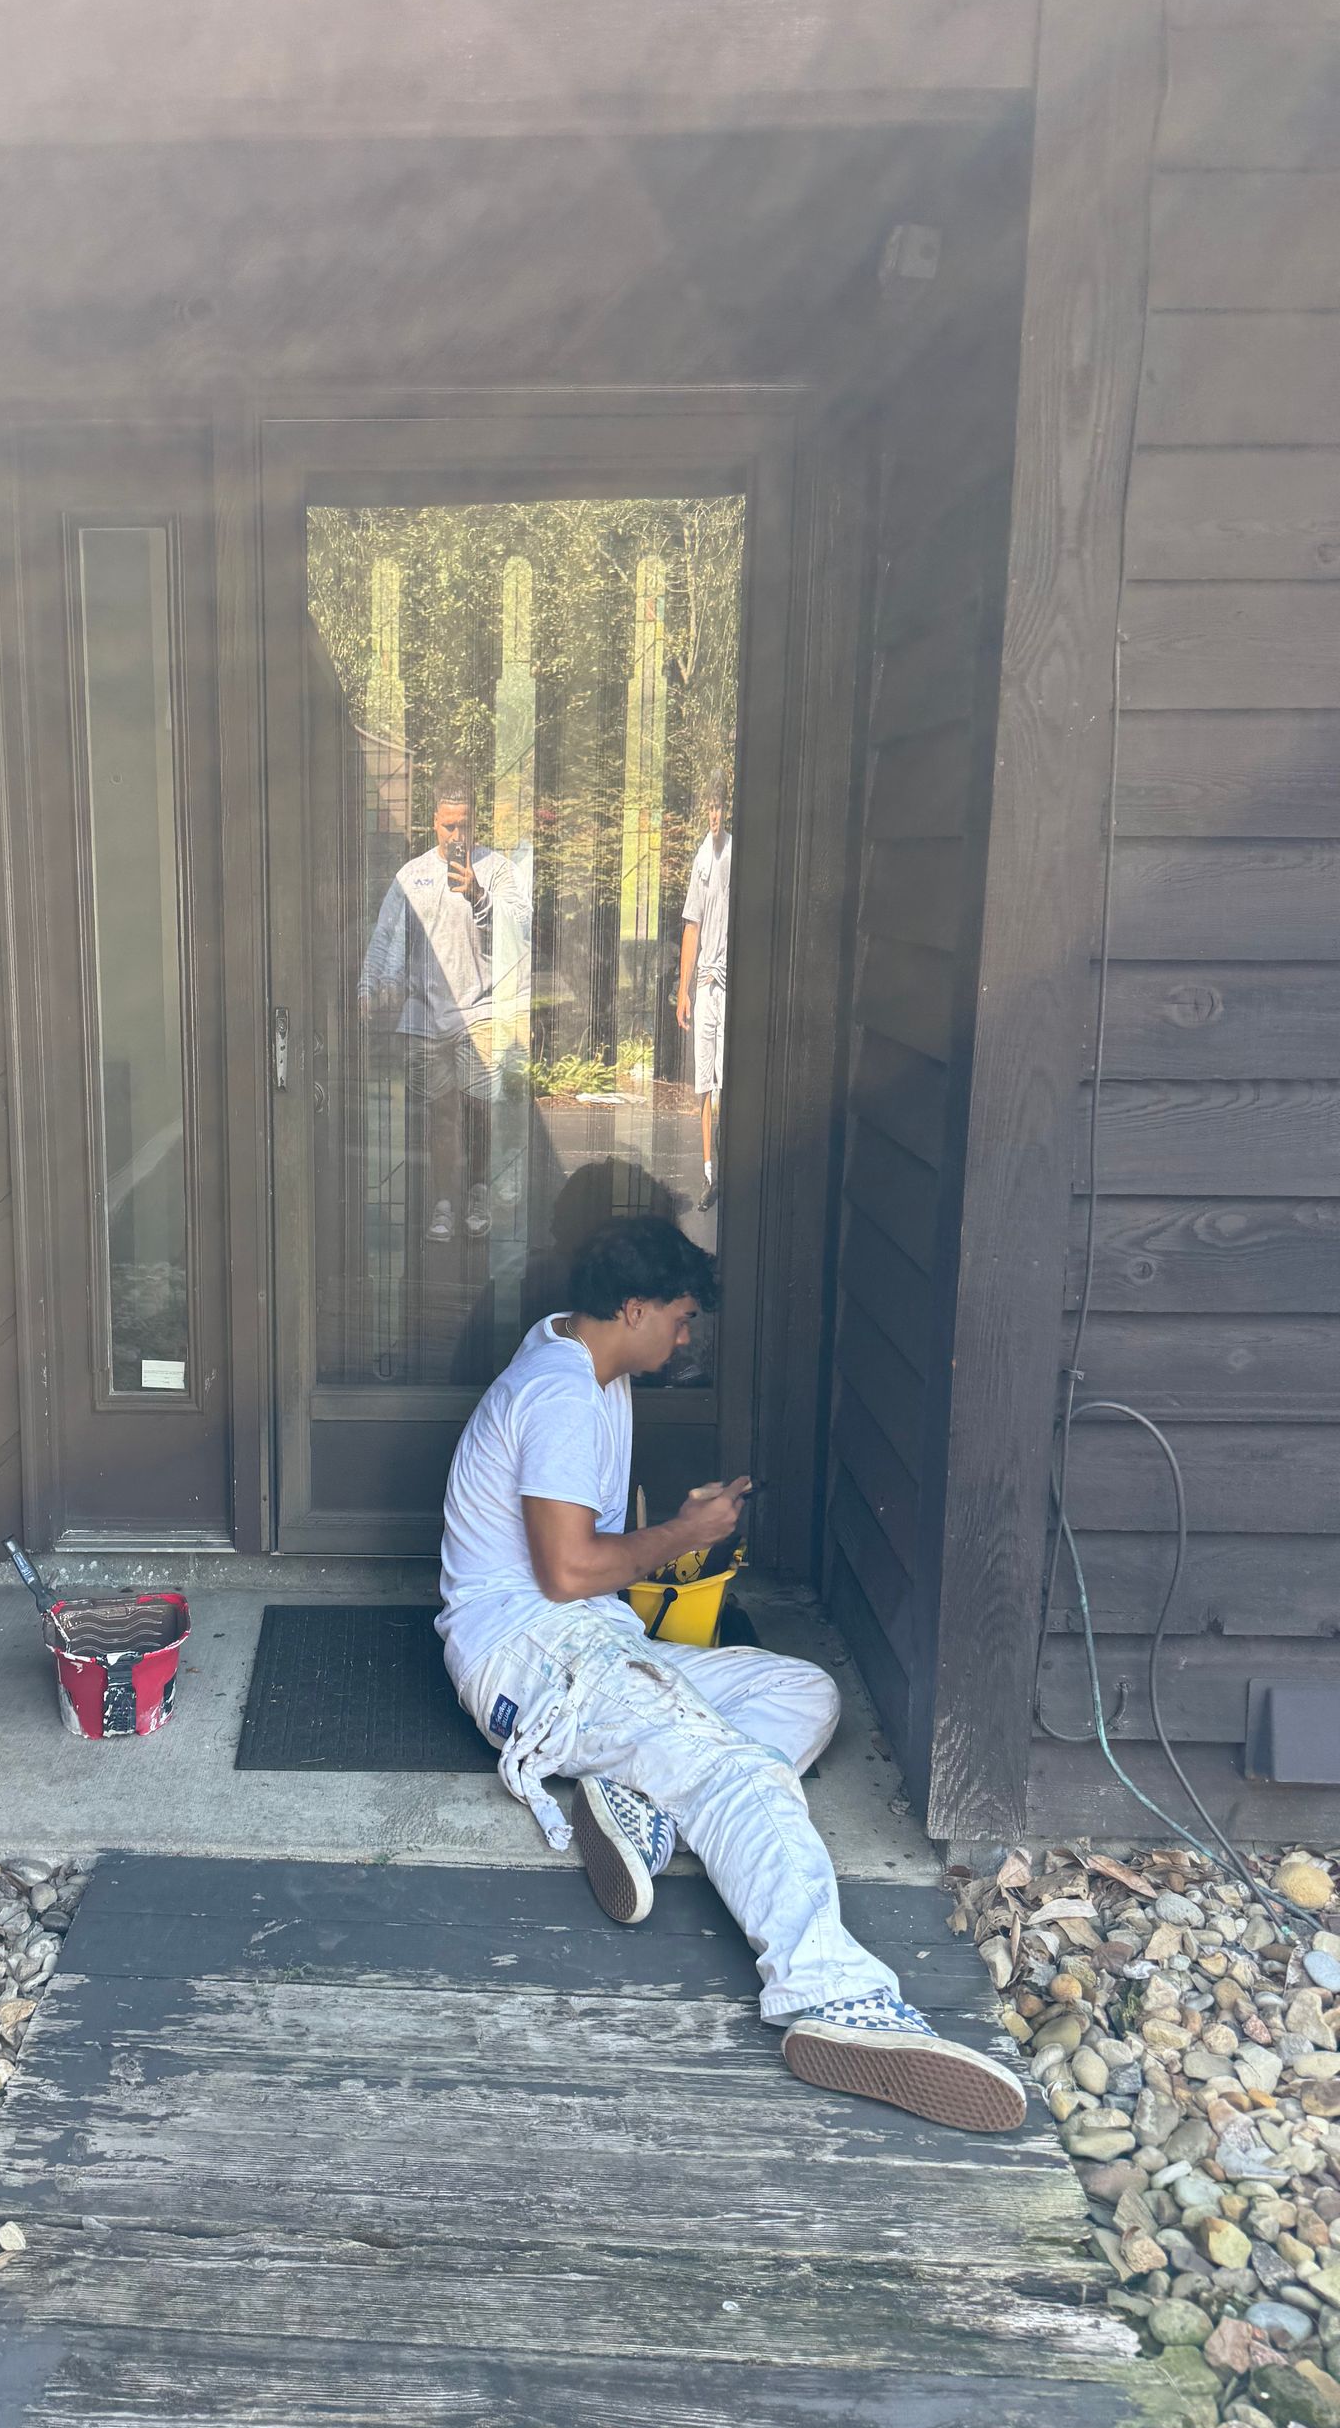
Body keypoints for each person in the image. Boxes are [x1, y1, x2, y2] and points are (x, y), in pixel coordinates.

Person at [437, 1213, 1027, 2133]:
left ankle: (642, 1806)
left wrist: (670, 1530)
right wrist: (685, 1534)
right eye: (677, 1319)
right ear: (632, 1308)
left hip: (587, 1644)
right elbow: (565, 1572)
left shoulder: (584, 1357)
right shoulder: (558, 1394)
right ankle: (831, 1998)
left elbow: (585, 1554)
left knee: (802, 1692)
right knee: (741, 1770)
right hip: (535, 1654)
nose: (686, 1337)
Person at [358, 777, 531, 1244]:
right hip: (426, 1016)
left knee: (477, 1112)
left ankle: (475, 1191)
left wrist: (478, 894)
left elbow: (522, 930)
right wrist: (369, 985)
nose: (457, 837)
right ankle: (443, 1202)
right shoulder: (411, 876)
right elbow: (386, 937)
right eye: (448, 826)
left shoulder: (495, 869)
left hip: (482, 1011)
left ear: (475, 822)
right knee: (441, 1115)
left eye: (465, 826)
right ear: (434, 823)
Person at [674, 782, 731, 1205]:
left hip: (732, 986)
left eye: (719, 807)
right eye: (708, 807)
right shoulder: (700, 860)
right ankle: (709, 1173)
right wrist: (684, 989)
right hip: (706, 986)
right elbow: (691, 925)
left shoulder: (735, 854)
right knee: (704, 1085)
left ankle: (730, 1167)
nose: (713, 815)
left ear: (727, 810)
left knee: (728, 1082)